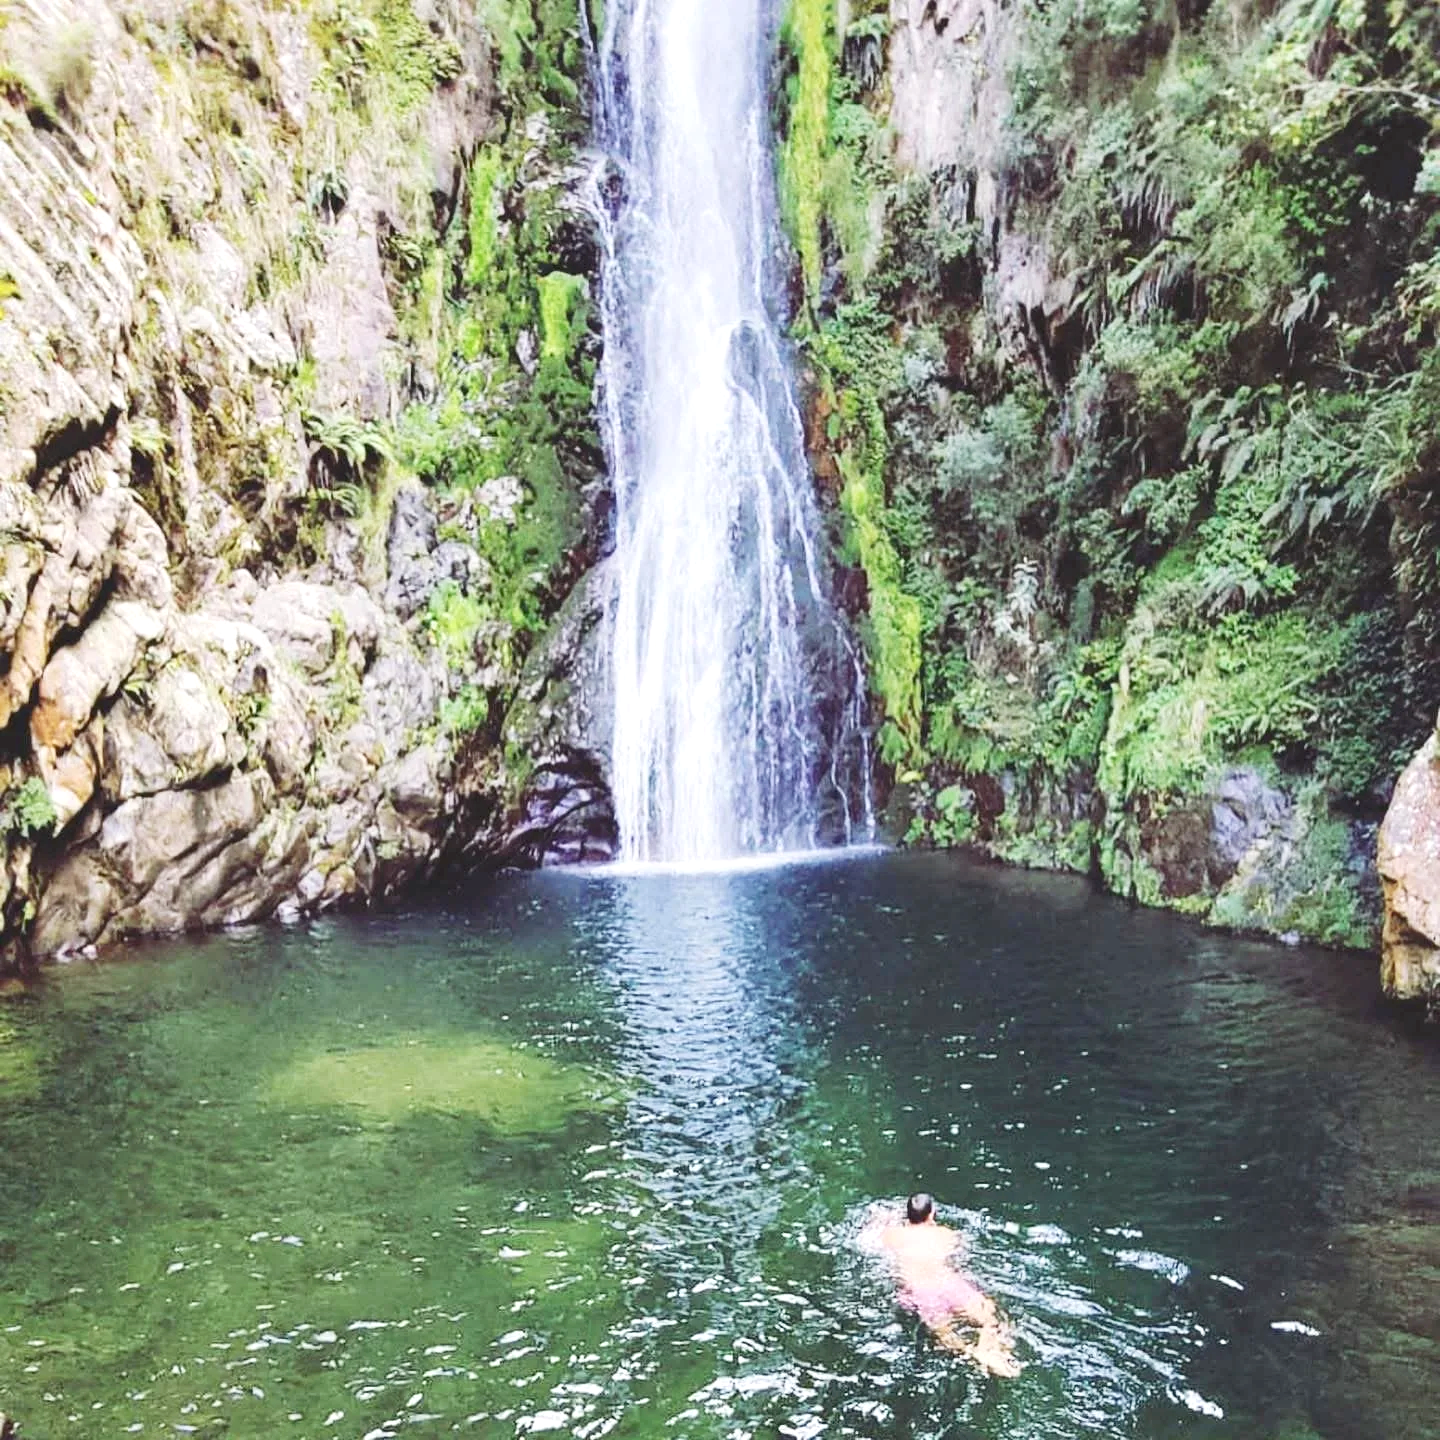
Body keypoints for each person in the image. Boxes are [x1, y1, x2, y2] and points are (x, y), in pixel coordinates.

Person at [862, 1193, 1023, 1377]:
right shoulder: (946, 1234)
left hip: (921, 1290)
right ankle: (992, 1347)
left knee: (945, 1334)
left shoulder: (891, 1235)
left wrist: (884, 1218)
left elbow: (872, 1235)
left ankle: (972, 1353)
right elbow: (958, 1254)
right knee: (989, 1316)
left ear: (908, 1214)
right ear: (932, 1213)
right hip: (948, 1283)